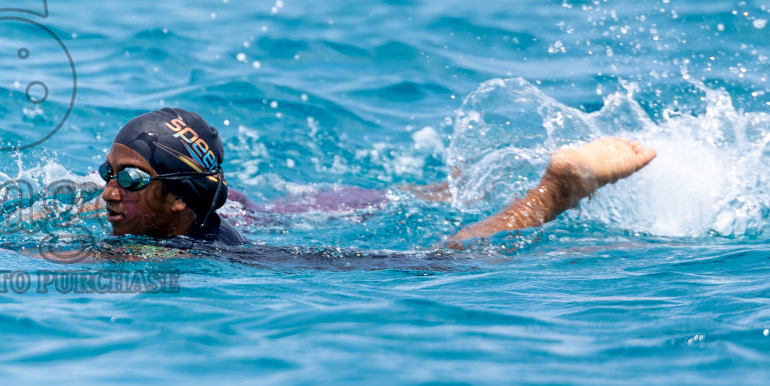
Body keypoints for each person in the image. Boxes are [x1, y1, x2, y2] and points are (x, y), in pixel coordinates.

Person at [98, 107, 656, 249]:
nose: (108, 191)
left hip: (252, 233)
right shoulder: (190, 204)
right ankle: (444, 189)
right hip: (251, 207)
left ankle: (555, 190)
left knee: (444, 260)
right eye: (107, 173)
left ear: (179, 200)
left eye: (131, 180)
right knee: (315, 205)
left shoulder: (208, 254)